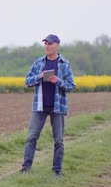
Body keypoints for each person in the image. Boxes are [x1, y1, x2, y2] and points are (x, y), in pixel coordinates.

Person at [20, 34, 76, 177]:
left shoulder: (65, 64)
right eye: (45, 44)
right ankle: (26, 167)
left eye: (50, 44)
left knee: (58, 140)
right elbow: (27, 81)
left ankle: (57, 170)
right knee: (31, 137)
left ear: (57, 45)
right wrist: (39, 76)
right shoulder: (38, 63)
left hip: (57, 107)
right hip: (40, 106)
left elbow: (71, 86)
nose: (47, 46)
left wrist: (58, 81)